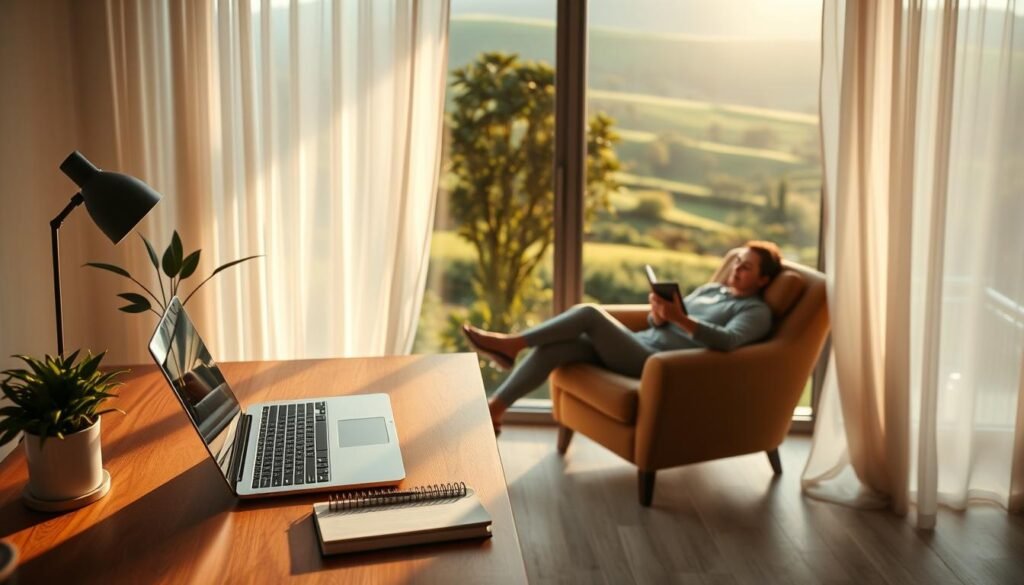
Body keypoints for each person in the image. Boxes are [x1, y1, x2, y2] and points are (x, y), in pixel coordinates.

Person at [462, 241, 783, 433]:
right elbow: (667, 324)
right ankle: (496, 410)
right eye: (738, 261)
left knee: (588, 313)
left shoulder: (756, 311)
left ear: (764, 279)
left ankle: (511, 345)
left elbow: (728, 341)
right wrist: (658, 316)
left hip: (656, 363)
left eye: (747, 268)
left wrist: (680, 319)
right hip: (643, 344)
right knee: (558, 348)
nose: (736, 269)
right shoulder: (714, 289)